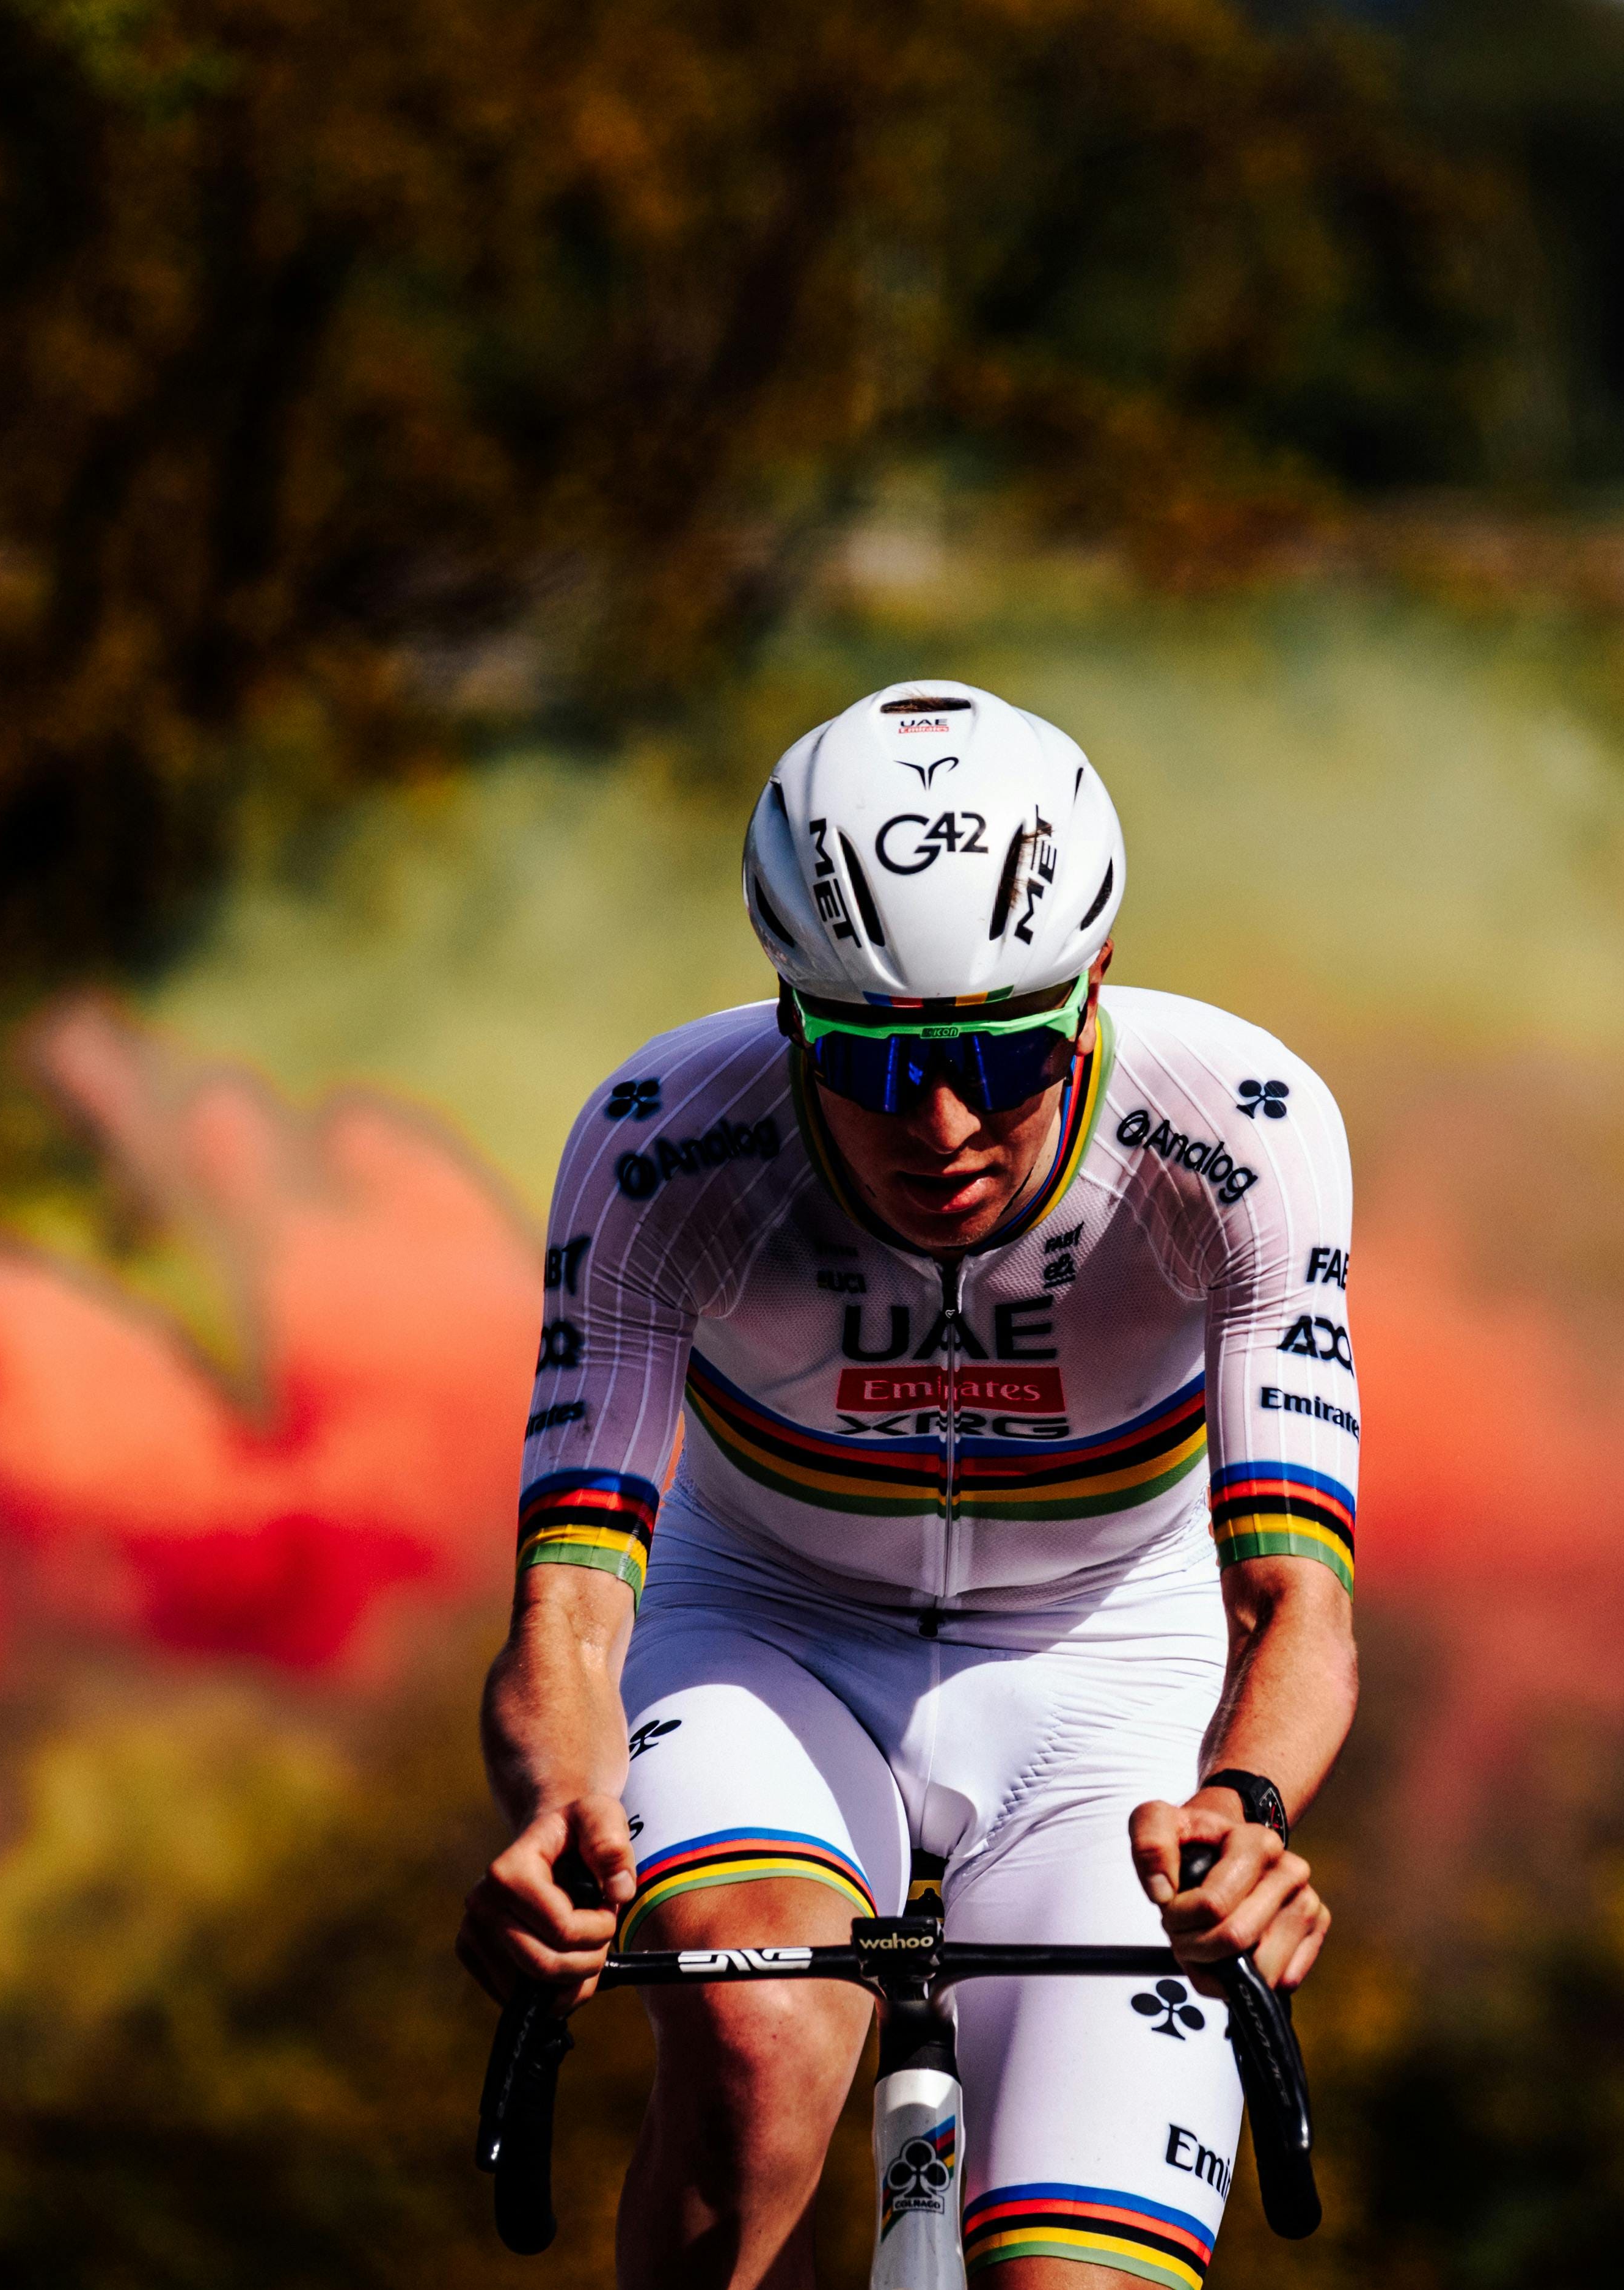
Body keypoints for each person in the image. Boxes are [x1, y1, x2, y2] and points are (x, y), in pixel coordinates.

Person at [458, 681, 1359, 2290]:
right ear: (788, 1011)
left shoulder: (1239, 1129)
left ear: (1093, 987)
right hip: (767, 1631)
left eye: (1001, 1053)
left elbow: (1293, 1595)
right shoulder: (664, 1138)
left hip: (1114, 1668)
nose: (940, 1126)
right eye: (870, 1063)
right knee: (753, 2034)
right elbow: (575, 1601)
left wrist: (1251, 1807)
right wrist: (557, 1810)